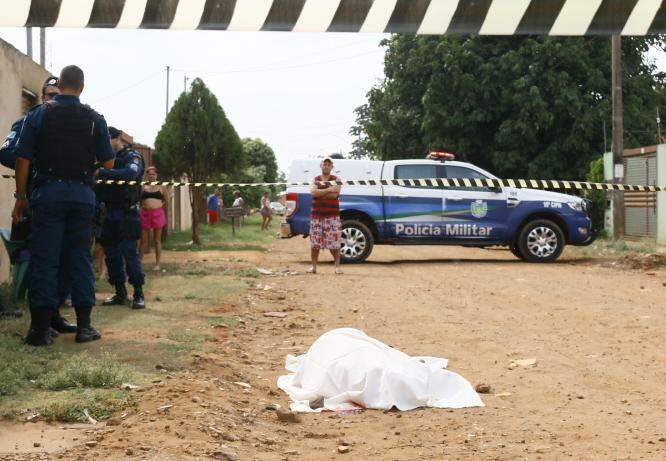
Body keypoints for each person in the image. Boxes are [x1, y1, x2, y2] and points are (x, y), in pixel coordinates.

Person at [12, 65, 115, 346]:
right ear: (81, 87)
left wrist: (21, 197)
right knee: (79, 258)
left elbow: (23, 159)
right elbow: (108, 162)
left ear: (60, 84)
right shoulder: (95, 119)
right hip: (82, 196)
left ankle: (41, 330)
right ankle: (84, 327)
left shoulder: (39, 114)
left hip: (48, 195)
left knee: (45, 259)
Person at [96, 127, 146, 310]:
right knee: (112, 255)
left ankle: (139, 293)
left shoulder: (132, 156)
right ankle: (120, 292)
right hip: (108, 212)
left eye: (107, 139)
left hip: (127, 212)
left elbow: (131, 174)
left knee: (129, 253)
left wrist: (102, 173)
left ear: (117, 138)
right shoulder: (104, 159)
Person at [309, 157, 343, 275]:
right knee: (315, 243)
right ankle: (313, 267)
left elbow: (335, 195)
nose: (326, 166)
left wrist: (320, 193)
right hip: (316, 216)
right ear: (321, 165)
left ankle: (337, 267)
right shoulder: (315, 179)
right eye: (324, 164)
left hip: (332, 216)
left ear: (332, 167)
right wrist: (329, 189)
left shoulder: (337, 179)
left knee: (334, 243)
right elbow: (313, 192)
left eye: (329, 164)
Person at [140, 166, 168, 271]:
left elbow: (166, 201)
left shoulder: (162, 186)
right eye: (149, 174)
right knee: (143, 240)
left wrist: (158, 208)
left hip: (158, 214)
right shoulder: (143, 186)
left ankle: (157, 263)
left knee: (157, 240)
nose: (151, 176)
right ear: (147, 175)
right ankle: (139, 263)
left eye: (153, 174)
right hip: (145, 214)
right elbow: (140, 200)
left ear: (156, 175)